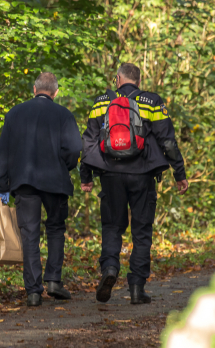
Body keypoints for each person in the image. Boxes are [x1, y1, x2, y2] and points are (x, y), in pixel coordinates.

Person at [80, 63, 188, 305]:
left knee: (111, 227)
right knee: (141, 231)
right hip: (143, 175)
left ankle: (109, 267)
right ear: (139, 81)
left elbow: (88, 141)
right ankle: (137, 288)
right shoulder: (151, 102)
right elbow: (168, 142)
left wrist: (85, 175)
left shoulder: (101, 102)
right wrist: (179, 173)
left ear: (118, 79)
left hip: (109, 174)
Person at [0, 72, 83, 307]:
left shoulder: (15, 114)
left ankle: (33, 291)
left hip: (24, 182)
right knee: (55, 229)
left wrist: (1, 186)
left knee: (29, 235)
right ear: (55, 92)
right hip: (55, 182)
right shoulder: (64, 115)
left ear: (34, 89)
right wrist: (65, 165)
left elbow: (2, 154)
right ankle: (53, 281)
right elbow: (75, 148)